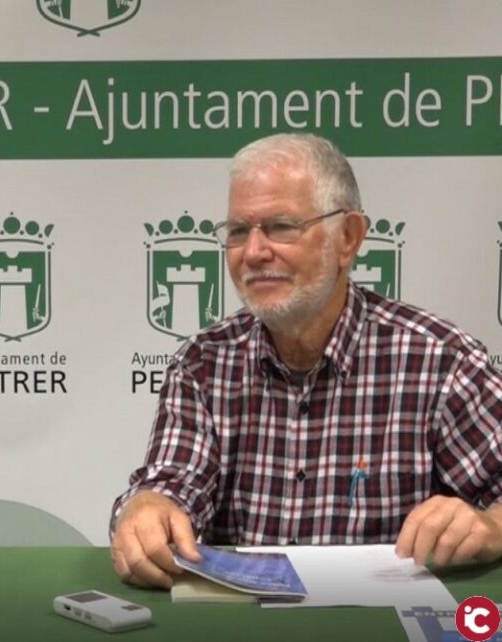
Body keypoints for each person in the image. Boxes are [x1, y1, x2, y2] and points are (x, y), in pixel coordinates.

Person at [110, 132, 502, 589]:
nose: (253, 252)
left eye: (281, 226)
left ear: (348, 238)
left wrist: (490, 527)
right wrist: (147, 509)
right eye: (238, 230)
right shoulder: (203, 365)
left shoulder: (438, 361)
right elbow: (172, 485)